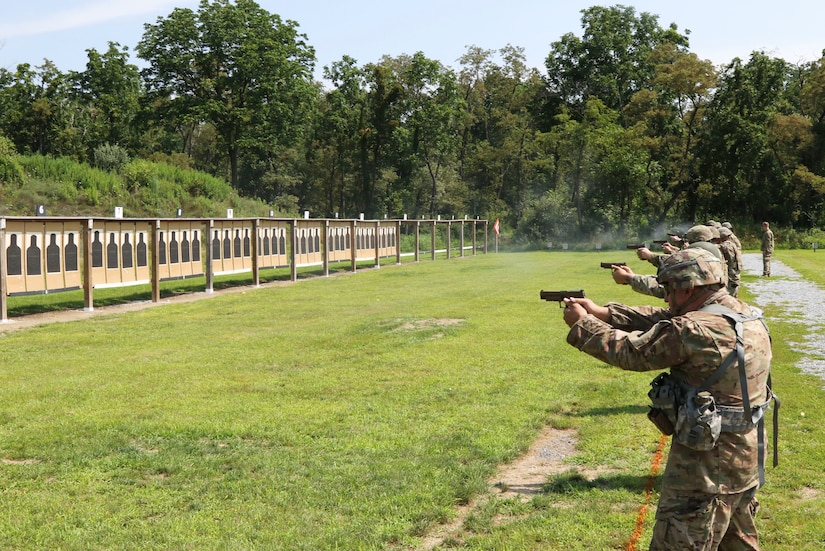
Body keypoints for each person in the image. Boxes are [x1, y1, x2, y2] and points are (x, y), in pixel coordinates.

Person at [562, 247, 773, 550]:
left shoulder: (693, 329)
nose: (665, 297)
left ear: (688, 288)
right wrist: (604, 313)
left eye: (669, 289)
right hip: (744, 456)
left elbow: (632, 352)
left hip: (705, 468)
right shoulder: (745, 314)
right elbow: (664, 317)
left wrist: (584, 324)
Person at [719, 226, 742, 297]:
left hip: (731, 273)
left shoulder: (726, 245)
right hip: (734, 272)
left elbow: (729, 259)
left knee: (730, 294)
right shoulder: (732, 244)